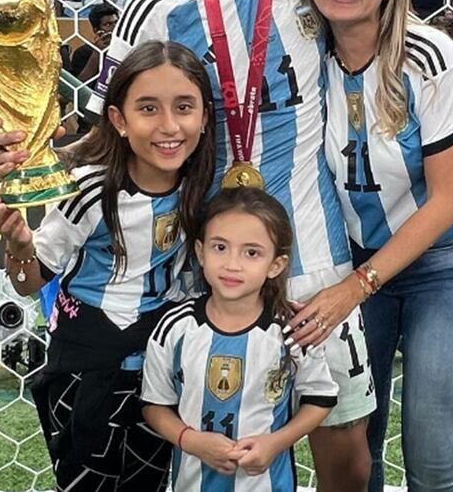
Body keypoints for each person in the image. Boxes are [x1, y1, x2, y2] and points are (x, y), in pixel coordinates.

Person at [0, 0, 453, 489]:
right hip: (210, 271)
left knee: (345, 457)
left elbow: (383, 38)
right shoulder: (153, 10)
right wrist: (36, 148)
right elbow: (115, 130)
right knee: (221, 456)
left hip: (318, 269)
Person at [295, 0, 453, 492]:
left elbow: (444, 201)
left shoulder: (428, 56)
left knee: (430, 459)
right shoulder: (301, 60)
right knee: (359, 452)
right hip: (353, 264)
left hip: (443, 265)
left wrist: (353, 289)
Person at [0, 42, 215, 491]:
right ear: (118, 120)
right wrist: (17, 244)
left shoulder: (203, 186)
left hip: (160, 371)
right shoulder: (90, 189)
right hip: (85, 373)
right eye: (148, 108)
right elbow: (29, 279)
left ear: (205, 117)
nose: (169, 126)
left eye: (184, 107)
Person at [140, 187, 338, 489]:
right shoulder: (175, 327)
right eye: (220, 248)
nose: (233, 264)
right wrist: (190, 441)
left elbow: (320, 398)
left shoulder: (291, 330)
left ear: (276, 265)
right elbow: (154, 404)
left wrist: (274, 443)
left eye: (252, 253)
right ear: (200, 252)